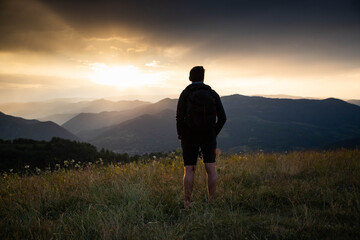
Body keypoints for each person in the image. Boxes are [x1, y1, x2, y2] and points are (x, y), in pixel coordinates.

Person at [176, 66, 226, 208]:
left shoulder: (185, 93)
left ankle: (187, 202)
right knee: (210, 167)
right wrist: (213, 133)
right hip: (208, 135)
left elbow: (179, 117)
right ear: (203, 77)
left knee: (189, 169)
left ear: (190, 78)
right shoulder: (212, 93)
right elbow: (223, 118)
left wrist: (181, 134)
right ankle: (212, 201)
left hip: (189, 135)